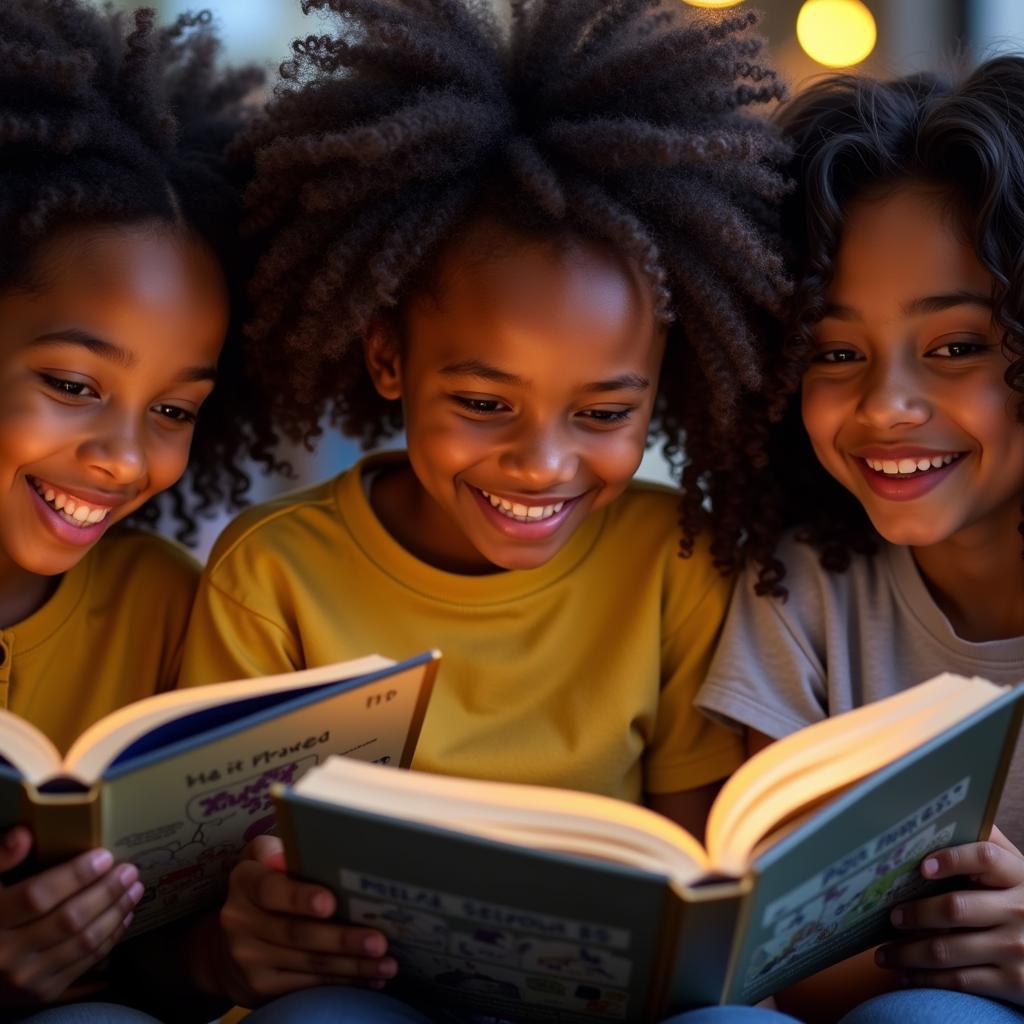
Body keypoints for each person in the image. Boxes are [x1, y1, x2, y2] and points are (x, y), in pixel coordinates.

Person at [174, 1, 797, 1019]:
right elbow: (212, 907)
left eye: (603, 410)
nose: (543, 463)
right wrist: (259, 931)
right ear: (388, 359)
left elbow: (699, 873)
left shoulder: (670, 555)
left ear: (660, 387)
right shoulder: (273, 575)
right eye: (480, 403)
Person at [696, 57, 1024, 1024]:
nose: (885, 406)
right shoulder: (804, 591)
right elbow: (782, 957)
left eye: (957, 346)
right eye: (836, 353)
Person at [0, 1, 259, 1018]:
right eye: (72, 383)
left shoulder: (170, 610)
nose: (121, 456)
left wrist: (220, 961)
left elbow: (166, 964)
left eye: (174, 409)